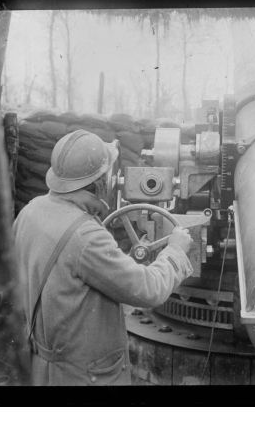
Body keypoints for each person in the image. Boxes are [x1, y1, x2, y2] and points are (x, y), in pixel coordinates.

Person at [13, 129, 194, 386]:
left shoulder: (31, 212)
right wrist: (175, 251)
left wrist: (131, 261)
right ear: (101, 182)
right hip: (82, 377)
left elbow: (66, 277)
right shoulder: (86, 236)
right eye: (110, 174)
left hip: (39, 368)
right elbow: (149, 291)